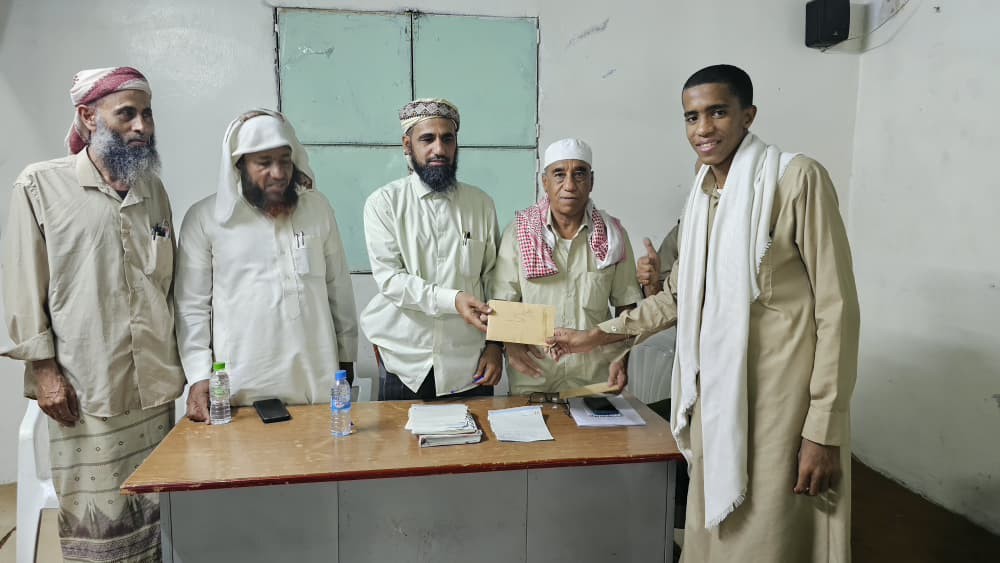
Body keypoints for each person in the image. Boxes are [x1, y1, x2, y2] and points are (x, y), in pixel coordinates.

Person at [549, 64, 860, 562]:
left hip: (782, 396)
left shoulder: (796, 179)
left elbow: (837, 309)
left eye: (718, 112)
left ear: (747, 115)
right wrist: (595, 337)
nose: (703, 129)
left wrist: (823, 428)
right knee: (713, 524)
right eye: (692, 117)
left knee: (768, 530)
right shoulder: (703, 193)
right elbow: (678, 297)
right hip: (715, 390)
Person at [2, 66, 184, 562]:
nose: (142, 126)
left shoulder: (152, 190)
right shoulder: (40, 186)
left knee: (159, 517)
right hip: (86, 388)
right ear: (87, 116)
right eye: (127, 114)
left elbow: (167, 285)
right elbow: (24, 288)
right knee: (101, 526)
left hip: (153, 389)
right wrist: (44, 373)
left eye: (147, 113)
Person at [174, 109, 357, 418]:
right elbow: (192, 306)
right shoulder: (206, 219)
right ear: (239, 164)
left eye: (285, 160)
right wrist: (199, 375)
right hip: (239, 392)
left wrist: (347, 354)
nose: (278, 173)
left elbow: (338, 287)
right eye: (264, 163)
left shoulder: (317, 209)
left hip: (317, 385)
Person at [361, 98, 502, 400]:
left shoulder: (481, 204)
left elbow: (494, 280)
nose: (439, 149)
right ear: (407, 145)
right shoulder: (383, 204)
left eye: (447, 139)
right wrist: (454, 299)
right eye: (427, 139)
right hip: (405, 365)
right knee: (401, 434)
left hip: (470, 366)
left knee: (477, 434)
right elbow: (391, 280)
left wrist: (495, 346)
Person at [491, 138, 641, 394]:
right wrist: (511, 347)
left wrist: (622, 357)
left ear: (591, 181)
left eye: (579, 174)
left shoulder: (613, 236)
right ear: (545, 182)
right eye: (559, 174)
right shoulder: (519, 233)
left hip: (595, 378)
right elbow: (502, 303)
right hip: (534, 377)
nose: (569, 185)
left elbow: (626, 306)